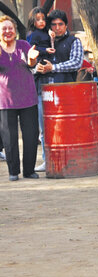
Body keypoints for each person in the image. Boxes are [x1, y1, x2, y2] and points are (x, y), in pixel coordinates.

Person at [35, 9, 85, 172]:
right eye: (54, 24)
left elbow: (76, 63)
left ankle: (69, 159)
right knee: (45, 128)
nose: (57, 28)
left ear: (66, 25)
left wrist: (53, 67)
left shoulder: (73, 41)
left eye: (60, 24)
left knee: (67, 127)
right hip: (44, 91)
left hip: (65, 92)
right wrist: (39, 68)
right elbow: (31, 65)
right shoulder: (41, 42)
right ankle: (47, 160)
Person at [0, 16, 40, 181]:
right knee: (9, 138)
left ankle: (29, 170)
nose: (8, 31)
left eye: (10, 28)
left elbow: (32, 65)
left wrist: (32, 59)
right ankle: (13, 171)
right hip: (5, 101)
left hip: (27, 98)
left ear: (15, 30)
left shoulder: (24, 45)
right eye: (4, 28)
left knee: (31, 135)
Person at [26, 6, 55, 173]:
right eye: (37, 19)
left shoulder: (49, 33)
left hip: (50, 78)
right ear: (33, 21)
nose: (41, 22)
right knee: (43, 124)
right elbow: (32, 50)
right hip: (39, 77)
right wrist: (45, 50)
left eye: (43, 19)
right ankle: (46, 158)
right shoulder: (32, 35)